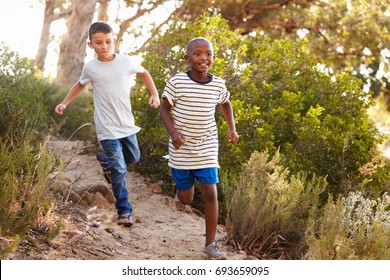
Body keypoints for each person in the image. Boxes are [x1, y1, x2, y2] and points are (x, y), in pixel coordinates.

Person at [55, 22, 160, 227]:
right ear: (90, 44)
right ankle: (124, 211)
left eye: (108, 42)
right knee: (119, 170)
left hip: (127, 125)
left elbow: (144, 73)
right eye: (99, 43)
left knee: (134, 157)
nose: (104, 46)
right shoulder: (91, 67)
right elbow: (80, 84)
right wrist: (65, 102)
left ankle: (105, 161)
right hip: (107, 128)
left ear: (115, 41)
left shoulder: (125, 61)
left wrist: (154, 94)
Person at [160, 37, 239, 260]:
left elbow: (225, 103)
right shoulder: (177, 82)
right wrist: (173, 133)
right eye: (197, 54)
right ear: (188, 58)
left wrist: (231, 128)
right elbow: (164, 110)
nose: (204, 58)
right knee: (187, 198)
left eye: (208, 54)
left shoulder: (218, 84)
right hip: (181, 147)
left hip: (207, 145)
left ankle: (210, 244)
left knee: (210, 193)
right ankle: (180, 197)